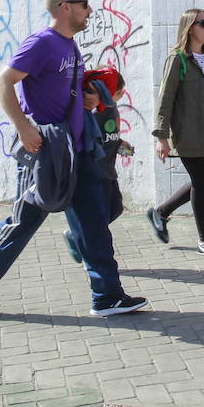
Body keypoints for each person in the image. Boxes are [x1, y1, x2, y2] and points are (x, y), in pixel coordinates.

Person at [0, 0, 148, 319]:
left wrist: (87, 99)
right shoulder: (41, 43)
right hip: (47, 152)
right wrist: (23, 126)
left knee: (94, 223)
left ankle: (107, 296)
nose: (90, 11)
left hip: (77, 150)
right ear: (65, 7)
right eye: (84, 5)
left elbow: (65, 89)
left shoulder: (70, 47)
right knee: (22, 224)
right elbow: (3, 82)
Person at [146, 9, 204, 258]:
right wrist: (161, 136)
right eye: (203, 23)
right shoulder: (178, 59)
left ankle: (161, 212)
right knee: (200, 182)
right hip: (187, 133)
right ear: (189, 28)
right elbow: (165, 99)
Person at [62, 67, 133, 263]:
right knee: (97, 220)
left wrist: (120, 143)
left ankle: (76, 233)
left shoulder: (111, 108)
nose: (122, 95)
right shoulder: (92, 110)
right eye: (119, 92)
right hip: (95, 171)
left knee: (116, 208)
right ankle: (87, 253)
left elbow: (110, 135)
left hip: (109, 170)